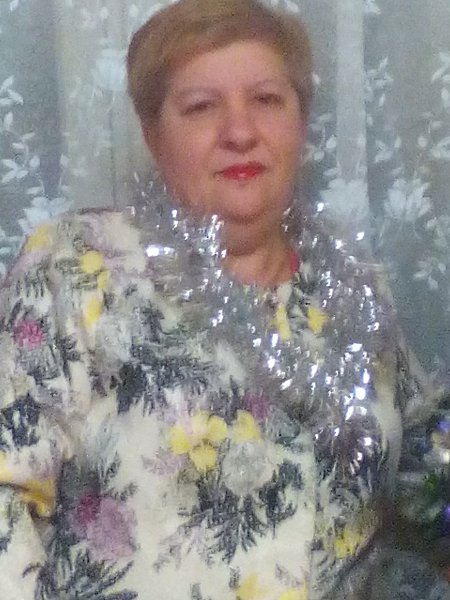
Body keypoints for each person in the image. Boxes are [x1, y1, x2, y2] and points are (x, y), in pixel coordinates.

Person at [0, 0, 448, 598]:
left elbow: (426, 470)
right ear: (153, 136)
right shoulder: (77, 268)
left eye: (266, 100)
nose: (240, 132)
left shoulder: (350, 287)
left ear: (301, 122)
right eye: (202, 106)